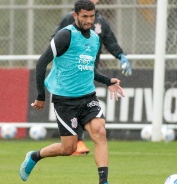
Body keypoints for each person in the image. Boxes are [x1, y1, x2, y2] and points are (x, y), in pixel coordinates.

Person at [19, 1, 124, 184]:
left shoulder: (94, 38)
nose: (89, 20)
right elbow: (41, 63)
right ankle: (35, 156)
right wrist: (41, 96)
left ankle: (103, 181)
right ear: (75, 15)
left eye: (92, 16)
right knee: (69, 148)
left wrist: (108, 81)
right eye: (84, 16)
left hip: (88, 96)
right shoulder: (65, 36)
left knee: (99, 132)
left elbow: (87, 68)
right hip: (65, 100)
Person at [54, 0, 132, 155]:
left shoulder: (101, 21)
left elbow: (110, 41)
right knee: (76, 102)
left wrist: (121, 55)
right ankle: (78, 141)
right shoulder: (70, 19)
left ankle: (80, 141)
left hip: (90, 70)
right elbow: (54, 40)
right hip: (70, 74)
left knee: (86, 105)